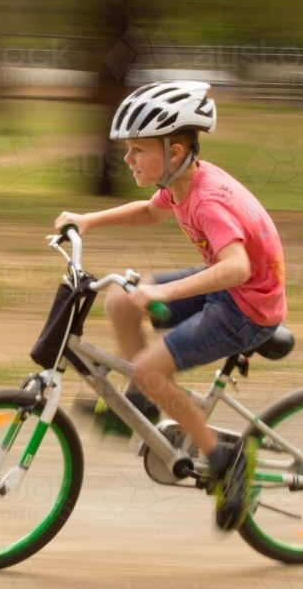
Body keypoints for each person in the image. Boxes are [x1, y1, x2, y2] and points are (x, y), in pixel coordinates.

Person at [54, 81, 288, 529]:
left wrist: (162, 293)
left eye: (138, 149)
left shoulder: (208, 200)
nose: (128, 159)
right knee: (121, 298)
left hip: (247, 309)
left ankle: (225, 459)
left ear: (175, 151)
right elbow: (149, 212)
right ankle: (140, 406)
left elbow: (237, 268)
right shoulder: (182, 182)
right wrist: (88, 220)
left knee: (149, 368)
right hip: (228, 289)